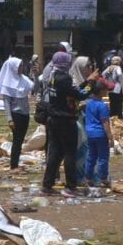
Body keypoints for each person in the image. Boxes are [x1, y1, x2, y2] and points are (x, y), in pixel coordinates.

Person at [37, 62, 81, 194]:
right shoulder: (65, 79)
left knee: (55, 153)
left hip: (53, 119)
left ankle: (47, 185)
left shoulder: (53, 77)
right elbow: (80, 94)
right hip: (66, 120)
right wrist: (91, 82)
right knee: (69, 153)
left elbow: (72, 92)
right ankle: (71, 186)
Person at [0, 50, 34, 167]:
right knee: (17, 141)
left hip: (25, 114)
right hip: (15, 115)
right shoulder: (8, 83)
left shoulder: (24, 79)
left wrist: (36, 75)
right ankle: (14, 165)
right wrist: (9, 119)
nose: (21, 68)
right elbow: (6, 103)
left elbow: (34, 87)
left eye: (22, 65)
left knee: (20, 140)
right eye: (19, 66)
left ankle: (15, 163)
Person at [80, 79, 113, 188]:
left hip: (90, 133)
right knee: (103, 157)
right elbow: (105, 123)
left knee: (91, 156)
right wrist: (110, 137)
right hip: (100, 133)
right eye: (106, 89)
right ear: (102, 91)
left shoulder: (89, 104)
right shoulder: (102, 106)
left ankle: (88, 178)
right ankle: (103, 178)